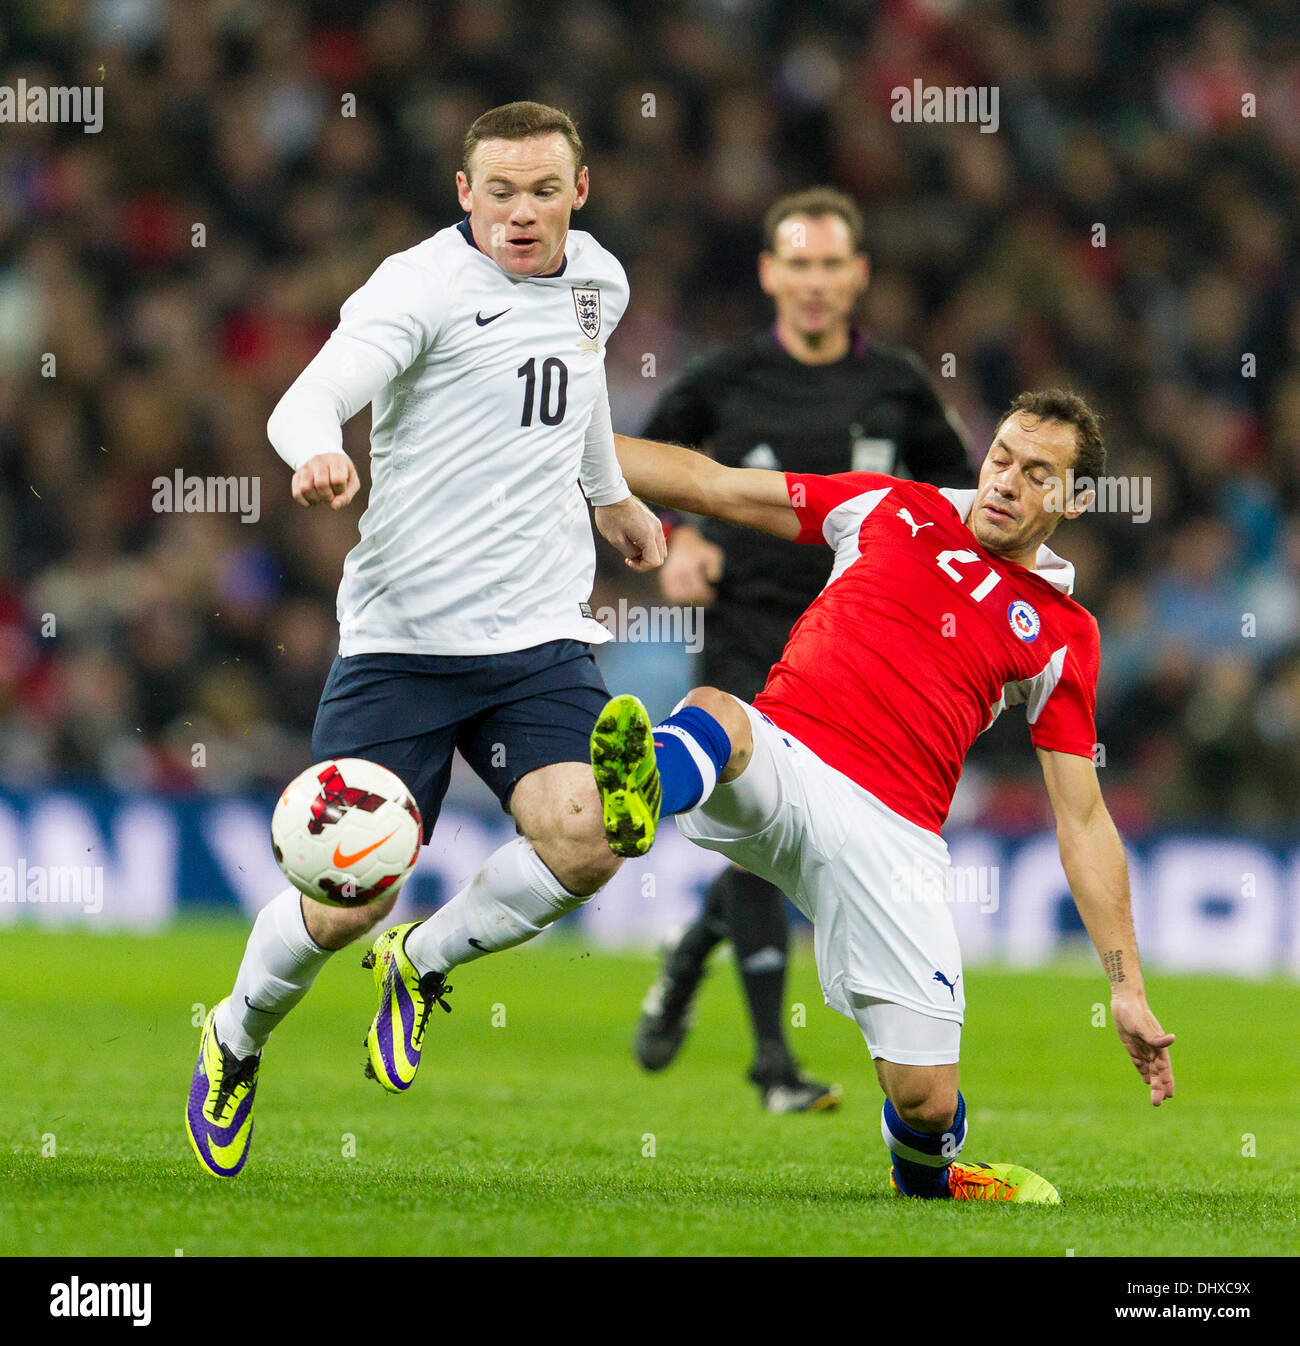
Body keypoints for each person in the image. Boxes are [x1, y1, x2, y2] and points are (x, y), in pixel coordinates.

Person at [185, 101, 665, 1178]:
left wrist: (611, 496)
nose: (521, 213)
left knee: (592, 838)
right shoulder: (417, 288)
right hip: (400, 643)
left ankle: (425, 962)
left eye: (544, 191)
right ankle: (235, 1033)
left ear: (578, 192)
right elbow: (307, 398)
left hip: (539, 633)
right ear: (464, 194)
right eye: (499, 193)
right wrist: (316, 451)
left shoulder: (599, 282)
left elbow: (578, 387)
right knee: (342, 902)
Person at [591, 390, 1175, 1201]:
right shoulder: (894, 507)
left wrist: (1125, 985)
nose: (1005, 480)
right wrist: (566, 438)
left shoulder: (1062, 631)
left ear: (1075, 500)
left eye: (1037, 472)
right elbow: (715, 485)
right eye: (1001, 456)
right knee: (719, 712)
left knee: (925, 1099)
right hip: (790, 760)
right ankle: (644, 785)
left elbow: (1080, 817)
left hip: (895, 838)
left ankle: (932, 1177)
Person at [636, 187, 974, 1112]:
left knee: (786, 844)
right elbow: (642, 457)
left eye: (832, 265)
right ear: (770, 274)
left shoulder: (898, 384)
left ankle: (690, 959)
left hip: (854, 646)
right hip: (747, 624)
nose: (815, 282)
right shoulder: (725, 377)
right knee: (752, 826)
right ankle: (771, 1066)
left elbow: (962, 502)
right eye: (799, 264)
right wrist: (679, 536)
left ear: (858, 275)